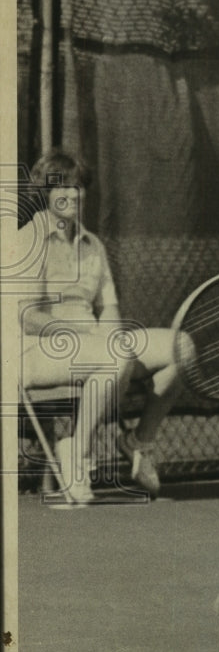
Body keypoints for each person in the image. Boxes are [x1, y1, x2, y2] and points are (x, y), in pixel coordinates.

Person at [18, 149, 186, 504]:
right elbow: (29, 318)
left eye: (79, 187)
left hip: (96, 347)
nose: (74, 195)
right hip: (36, 352)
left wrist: (108, 336)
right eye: (62, 188)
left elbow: (109, 308)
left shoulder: (94, 245)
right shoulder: (28, 242)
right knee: (115, 352)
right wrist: (94, 338)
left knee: (181, 347)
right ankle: (76, 455)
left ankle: (136, 443)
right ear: (45, 194)